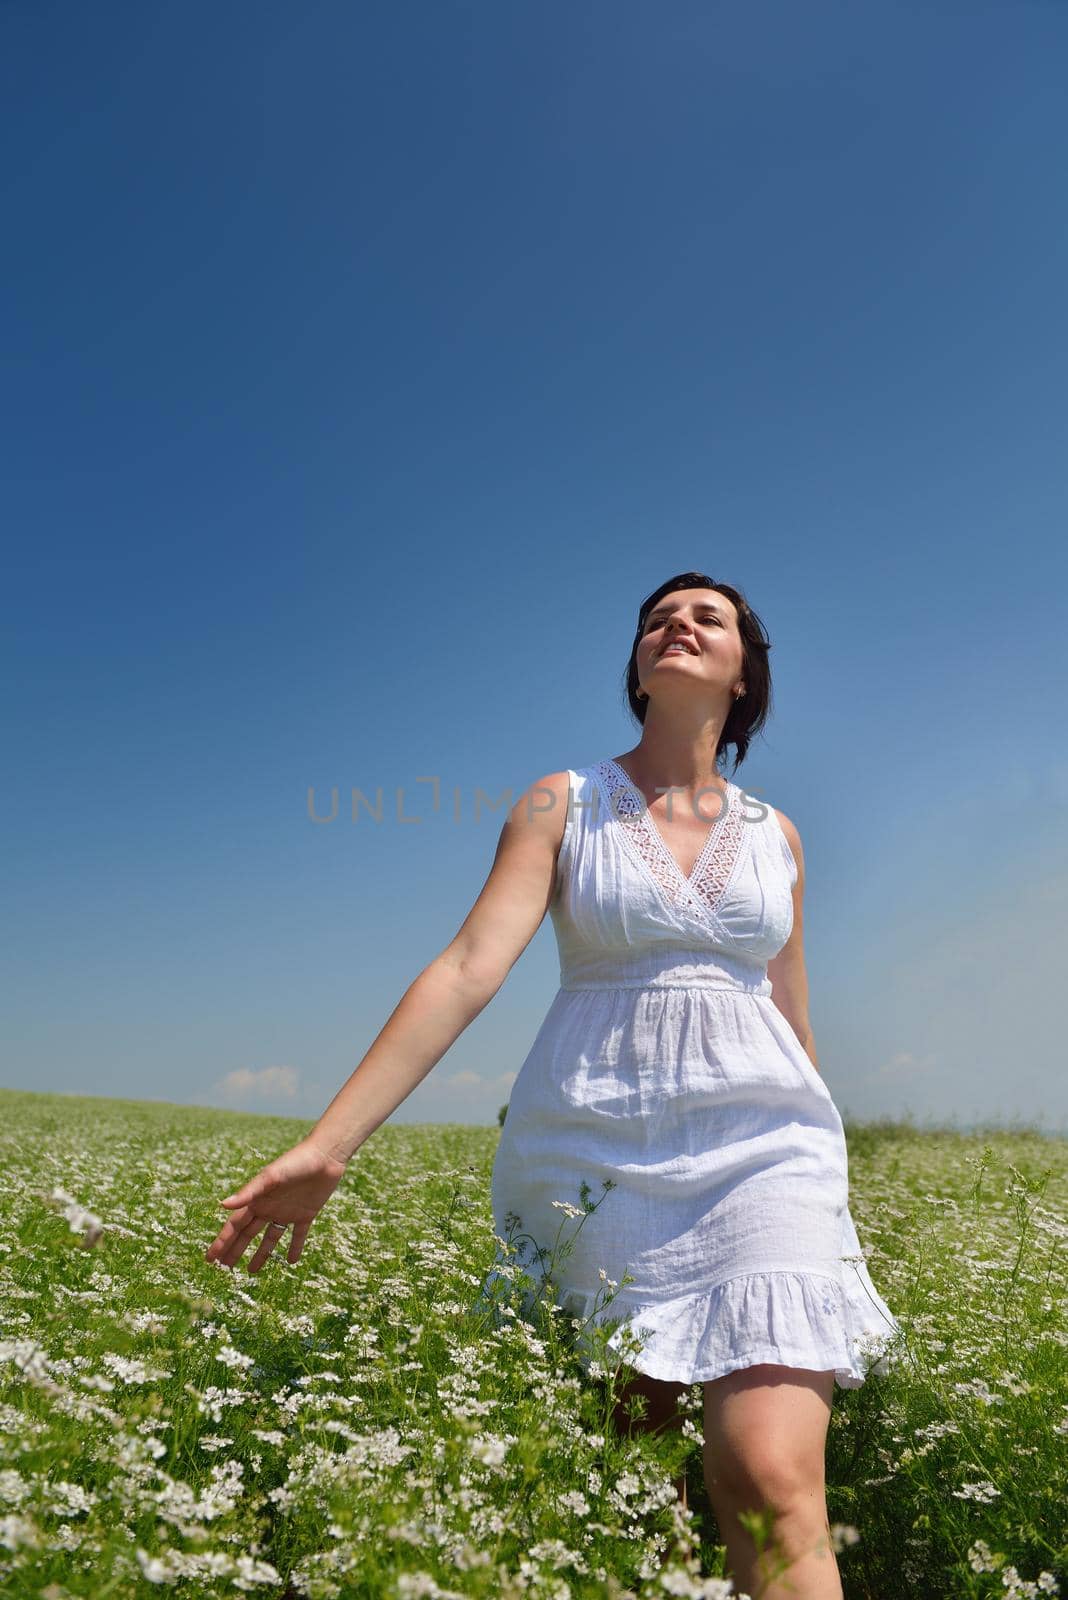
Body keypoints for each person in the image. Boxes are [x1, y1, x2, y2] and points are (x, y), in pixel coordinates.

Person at [205, 570, 903, 1599]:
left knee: (768, 1472)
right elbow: (466, 968)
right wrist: (330, 1143)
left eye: (707, 617)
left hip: (765, 1155)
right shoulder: (562, 801)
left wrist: (829, 1188)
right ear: (636, 663)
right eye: (657, 618)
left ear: (745, 671)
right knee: (643, 1485)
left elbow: (789, 1017)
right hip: (596, 1155)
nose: (677, 624)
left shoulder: (778, 835)